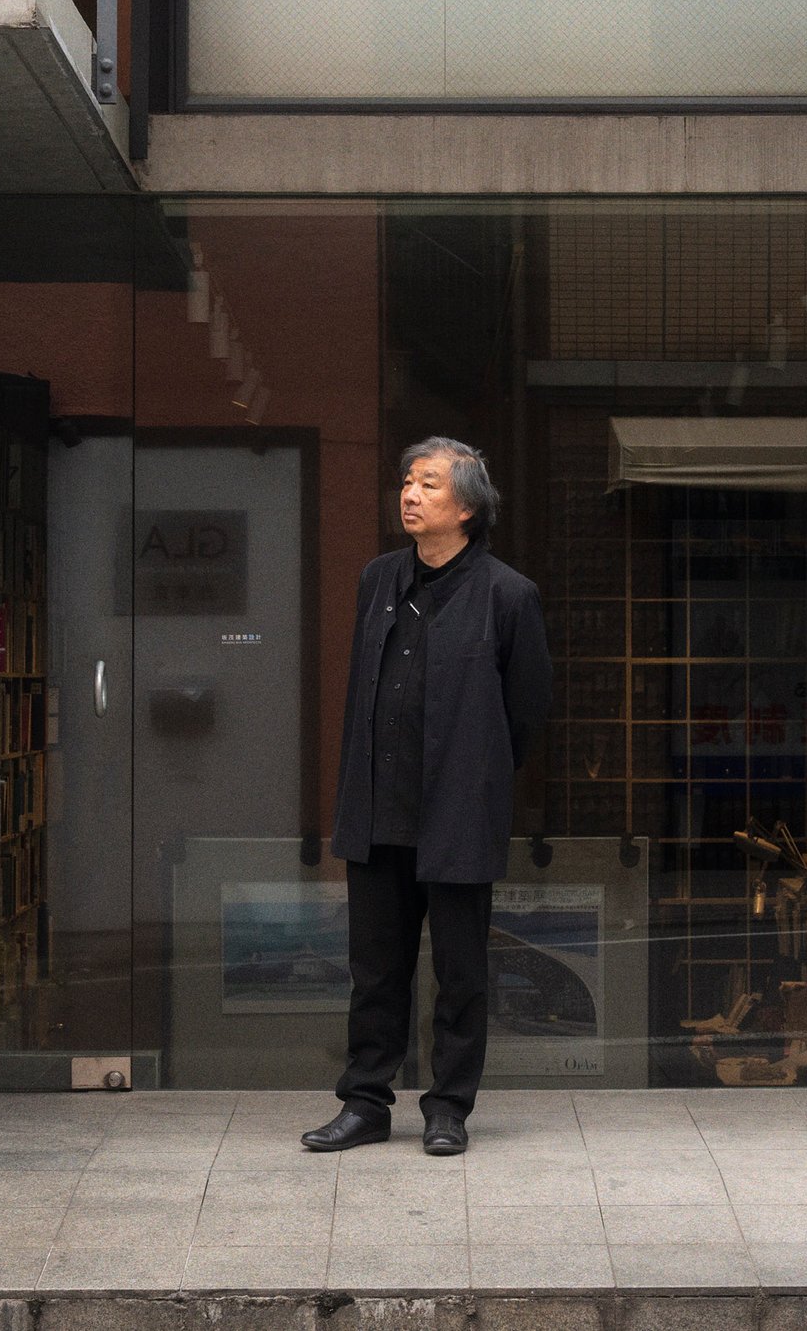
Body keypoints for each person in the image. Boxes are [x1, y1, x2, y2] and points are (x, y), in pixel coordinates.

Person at [301, 437, 551, 1156]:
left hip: (457, 814)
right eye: (407, 481)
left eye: (429, 484)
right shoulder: (378, 579)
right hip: (379, 809)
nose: (409, 494)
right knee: (374, 970)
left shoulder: (508, 594)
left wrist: (482, 778)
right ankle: (366, 1101)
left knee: (461, 972)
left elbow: (527, 711)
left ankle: (448, 1107)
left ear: (467, 506)